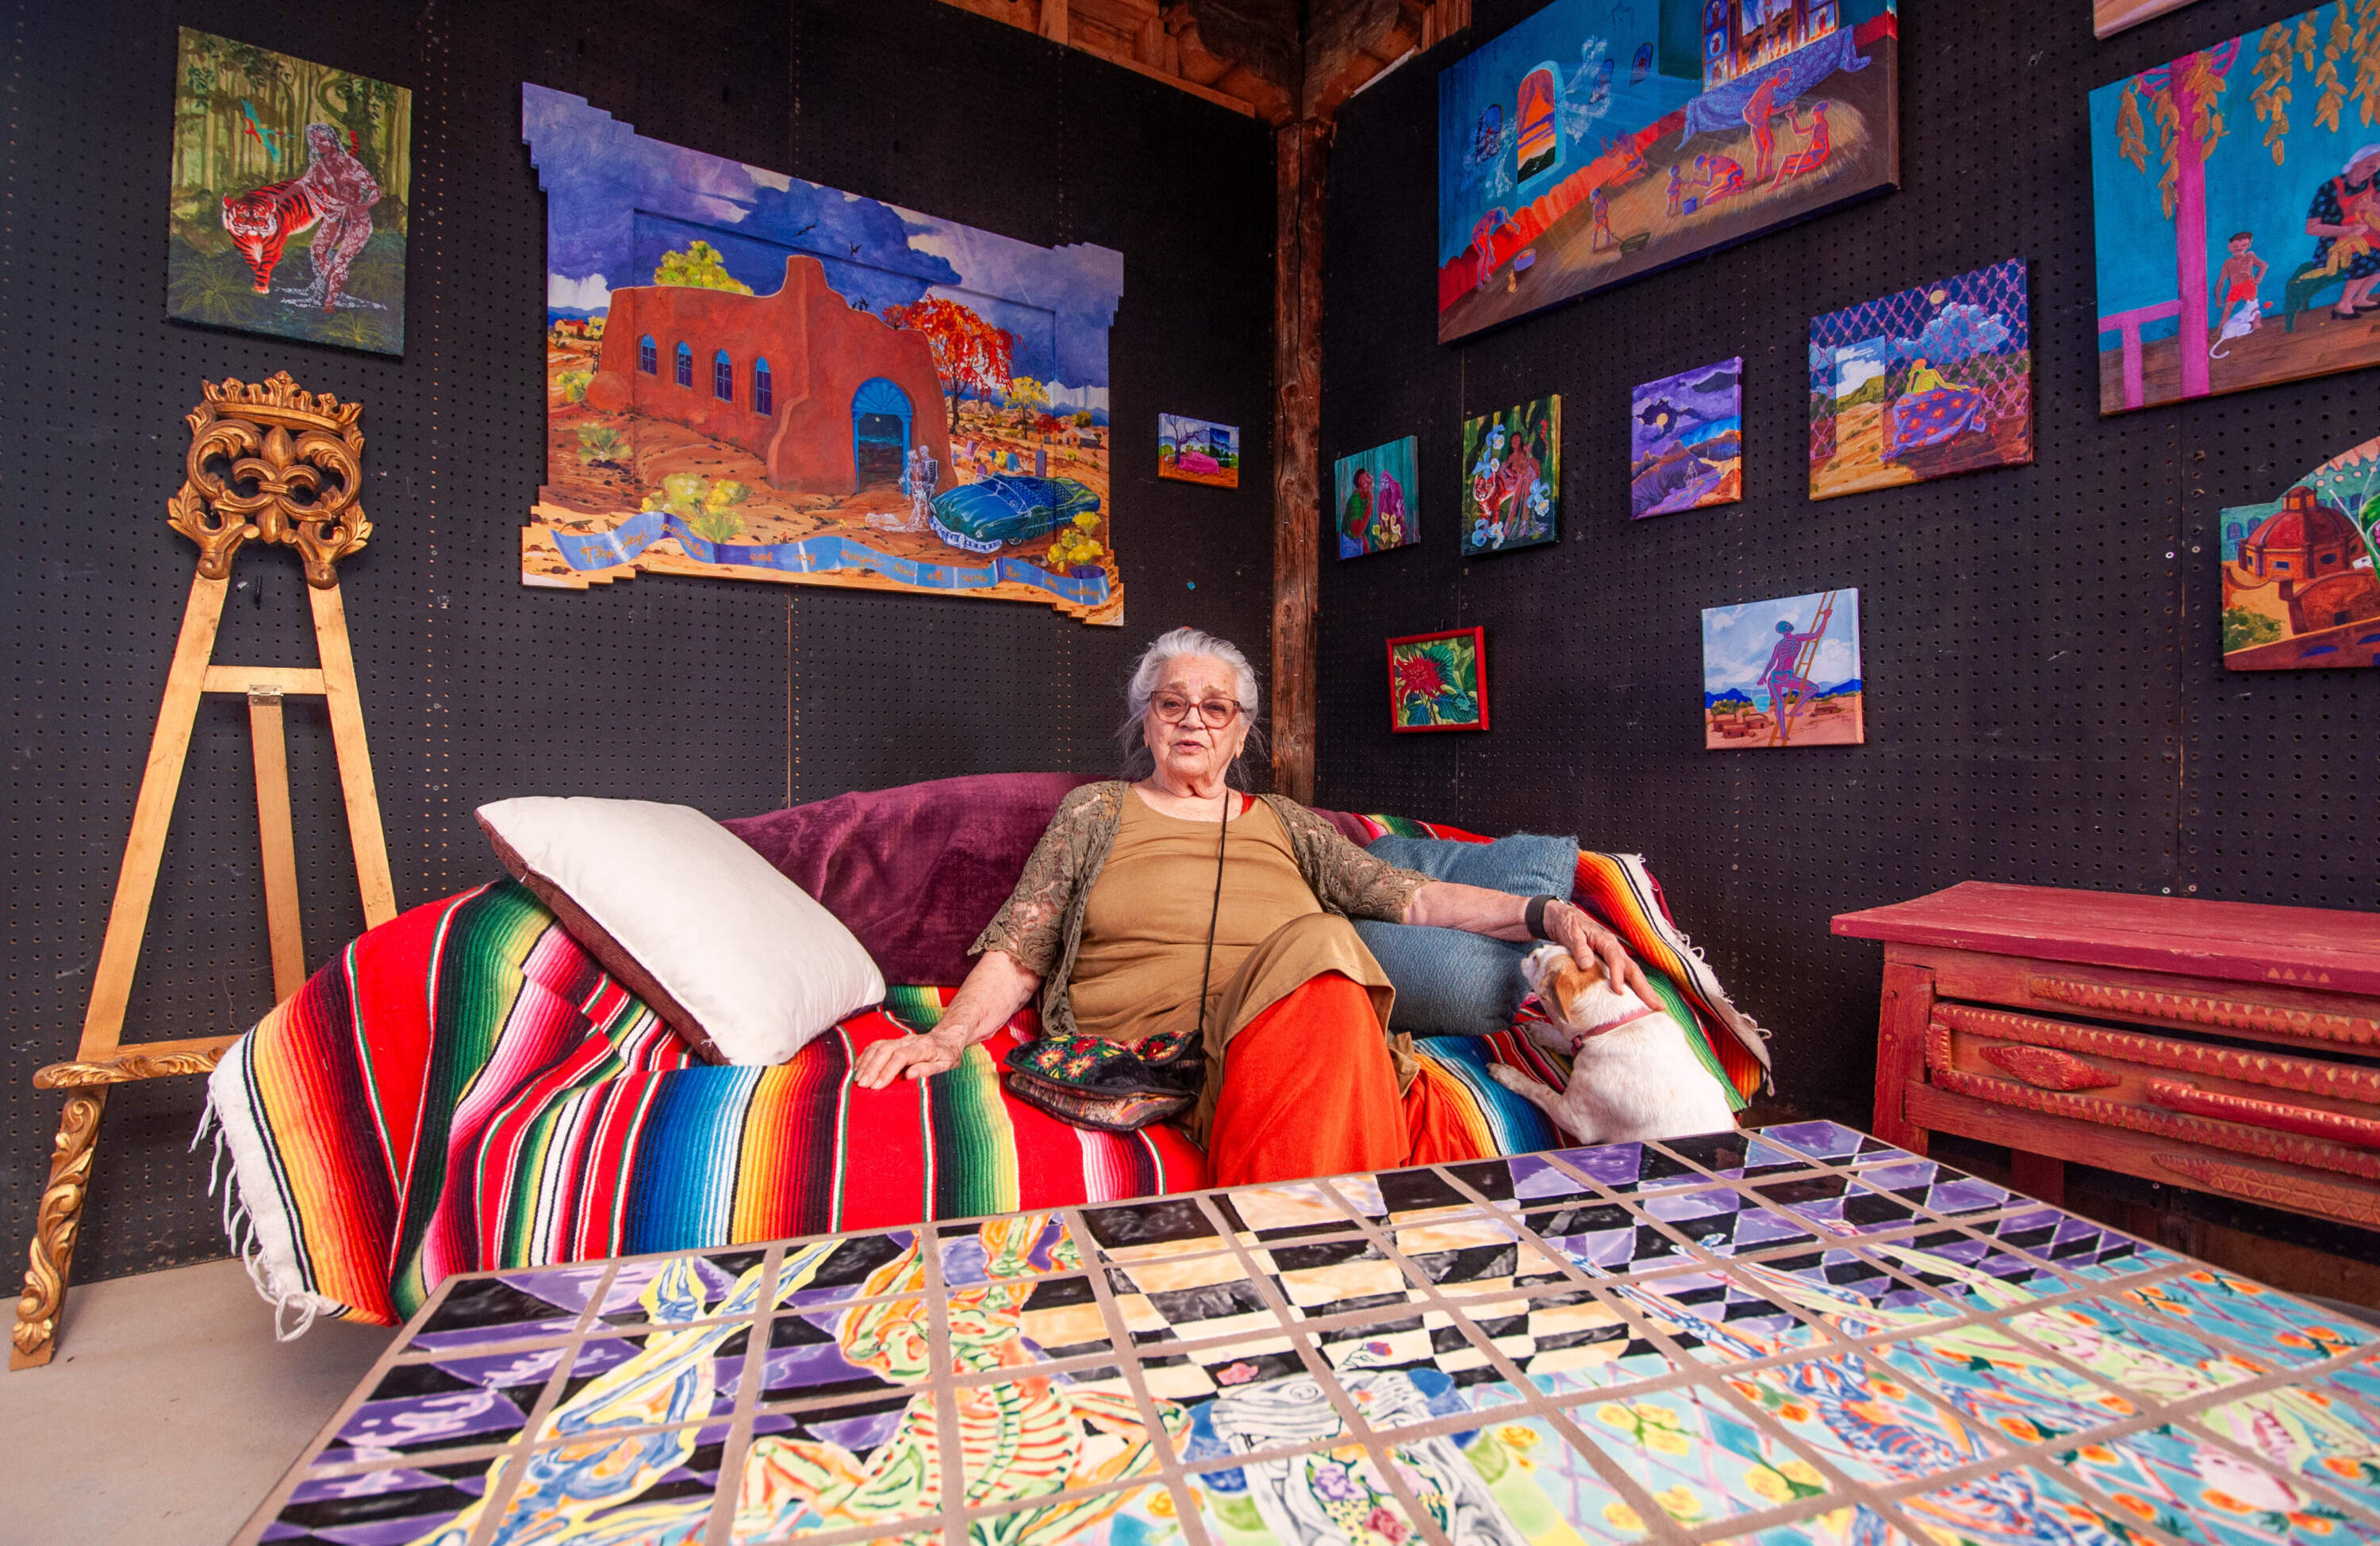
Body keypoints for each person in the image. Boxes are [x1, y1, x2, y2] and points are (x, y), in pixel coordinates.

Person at [852, 627, 1653, 1186]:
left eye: (1216, 706)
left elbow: (1412, 896)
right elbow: (1025, 942)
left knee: (1327, 952)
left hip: (1290, 1031)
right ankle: (1338, 1266)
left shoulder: (1284, 822)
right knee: (1324, 942)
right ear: (1147, 722)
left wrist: (1549, 914)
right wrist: (951, 1034)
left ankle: (1296, 1269)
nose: (1193, 718)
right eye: (1172, 703)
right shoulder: (1095, 812)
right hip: (1155, 1050)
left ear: (1242, 734)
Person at [2305, 145, 2380, 319]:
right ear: (2355, 162)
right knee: (2367, 256)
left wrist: (2373, 208)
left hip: (2369, 232)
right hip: (2336, 242)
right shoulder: (2330, 189)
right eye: (2370, 165)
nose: (2372, 171)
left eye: (2377, 168)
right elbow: (2312, 228)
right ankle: (2343, 305)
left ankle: (2361, 298)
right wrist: (2349, 230)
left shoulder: (2376, 180)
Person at [1342, 466, 1374, 554]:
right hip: (1350, 543)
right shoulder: (1355, 501)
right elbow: (1356, 531)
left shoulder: (1366, 496)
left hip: (1357, 539)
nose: (1369, 480)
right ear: (1360, 488)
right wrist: (1370, 503)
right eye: (1364, 481)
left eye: (1367, 476)